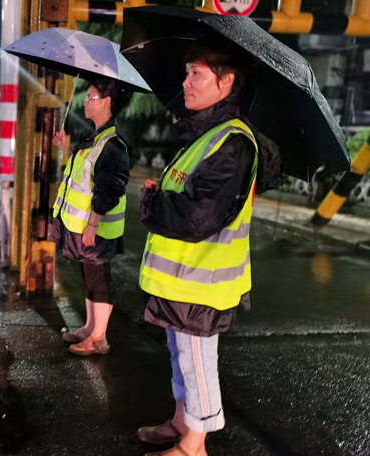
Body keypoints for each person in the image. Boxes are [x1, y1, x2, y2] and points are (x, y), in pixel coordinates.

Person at [136, 43, 279, 456]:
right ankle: (182, 422)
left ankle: (194, 444)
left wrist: (151, 203)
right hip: (182, 279)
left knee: (197, 360)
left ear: (226, 81)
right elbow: (190, 195)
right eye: (187, 72)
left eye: (195, 73)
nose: (186, 82)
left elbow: (199, 216)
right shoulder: (205, 135)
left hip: (202, 283)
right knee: (180, 355)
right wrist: (161, 192)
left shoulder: (232, 143)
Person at [52, 78, 133, 356]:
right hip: (84, 227)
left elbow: (110, 189)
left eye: (91, 97)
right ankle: (90, 328)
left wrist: (93, 223)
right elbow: (86, 172)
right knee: (88, 278)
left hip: (97, 229)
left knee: (98, 281)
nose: (85, 102)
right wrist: (66, 149)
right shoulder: (96, 138)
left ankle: (99, 338)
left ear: (107, 101)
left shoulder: (113, 144)